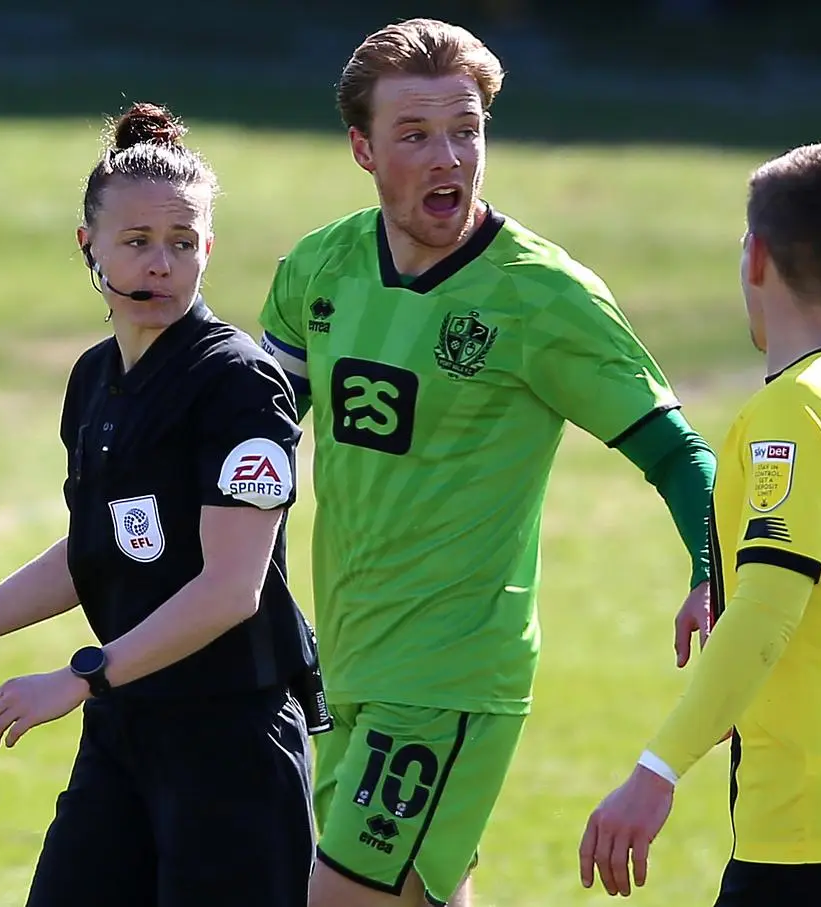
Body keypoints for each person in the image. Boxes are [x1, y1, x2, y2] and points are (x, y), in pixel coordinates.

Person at [258, 18, 718, 907]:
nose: (449, 158)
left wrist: (711, 564)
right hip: (343, 662)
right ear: (362, 148)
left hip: (449, 678)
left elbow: (676, 451)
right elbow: (253, 445)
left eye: (466, 131)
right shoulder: (319, 269)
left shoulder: (543, 297)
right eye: (416, 136)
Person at [0, 102, 323, 907]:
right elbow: (95, 549)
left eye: (181, 243)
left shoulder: (239, 385)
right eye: (135, 243)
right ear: (87, 246)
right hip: (128, 729)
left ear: (208, 249)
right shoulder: (96, 379)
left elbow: (231, 589)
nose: (159, 265)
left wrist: (79, 676)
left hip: (229, 744)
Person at [579, 141, 821, 907]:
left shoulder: (792, 412)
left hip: (815, 826)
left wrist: (656, 770)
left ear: (754, 259)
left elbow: (770, 612)